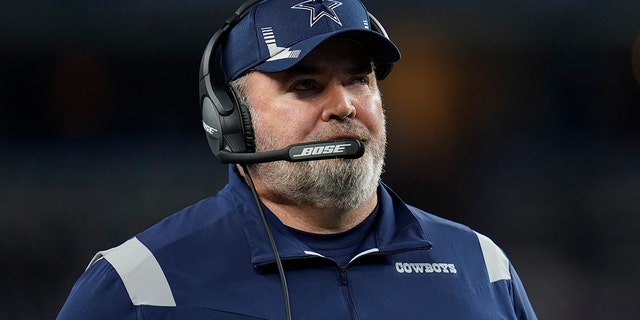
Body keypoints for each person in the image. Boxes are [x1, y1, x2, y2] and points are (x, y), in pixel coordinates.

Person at [57, 0, 537, 319]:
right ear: (231, 118)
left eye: (359, 80)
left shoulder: (482, 267)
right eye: (306, 85)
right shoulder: (140, 284)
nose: (345, 105)